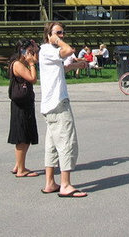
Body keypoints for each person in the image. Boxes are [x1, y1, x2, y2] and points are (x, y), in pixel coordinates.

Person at [39, 21, 88, 197]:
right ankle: (66, 185)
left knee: (52, 144)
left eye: (62, 33)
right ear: (48, 35)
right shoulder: (47, 49)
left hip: (50, 105)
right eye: (58, 33)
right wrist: (57, 41)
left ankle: (50, 182)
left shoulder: (48, 52)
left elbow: (59, 68)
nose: (62, 36)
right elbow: (69, 50)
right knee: (67, 141)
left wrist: (76, 66)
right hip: (58, 104)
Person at [7, 38, 39, 178]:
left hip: (24, 102)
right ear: (23, 51)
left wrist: (35, 50)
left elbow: (36, 61)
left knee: (25, 134)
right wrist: (31, 64)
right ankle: (21, 169)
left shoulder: (21, 62)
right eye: (29, 51)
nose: (32, 54)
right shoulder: (18, 65)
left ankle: (18, 165)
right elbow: (33, 78)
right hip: (21, 105)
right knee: (22, 136)